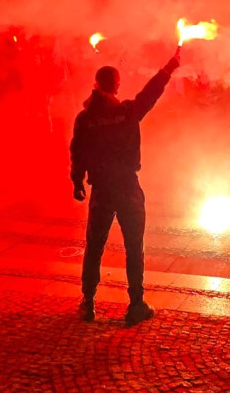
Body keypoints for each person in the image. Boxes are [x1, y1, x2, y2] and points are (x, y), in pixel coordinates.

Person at [69, 47, 181, 325]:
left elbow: (77, 151)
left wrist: (77, 181)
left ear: (96, 85)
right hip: (128, 189)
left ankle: (88, 303)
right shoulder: (127, 112)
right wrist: (169, 67)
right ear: (117, 86)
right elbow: (150, 93)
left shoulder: (86, 118)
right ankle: (135, 305)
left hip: (102, 190)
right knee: (134, 246)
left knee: (94, 246)